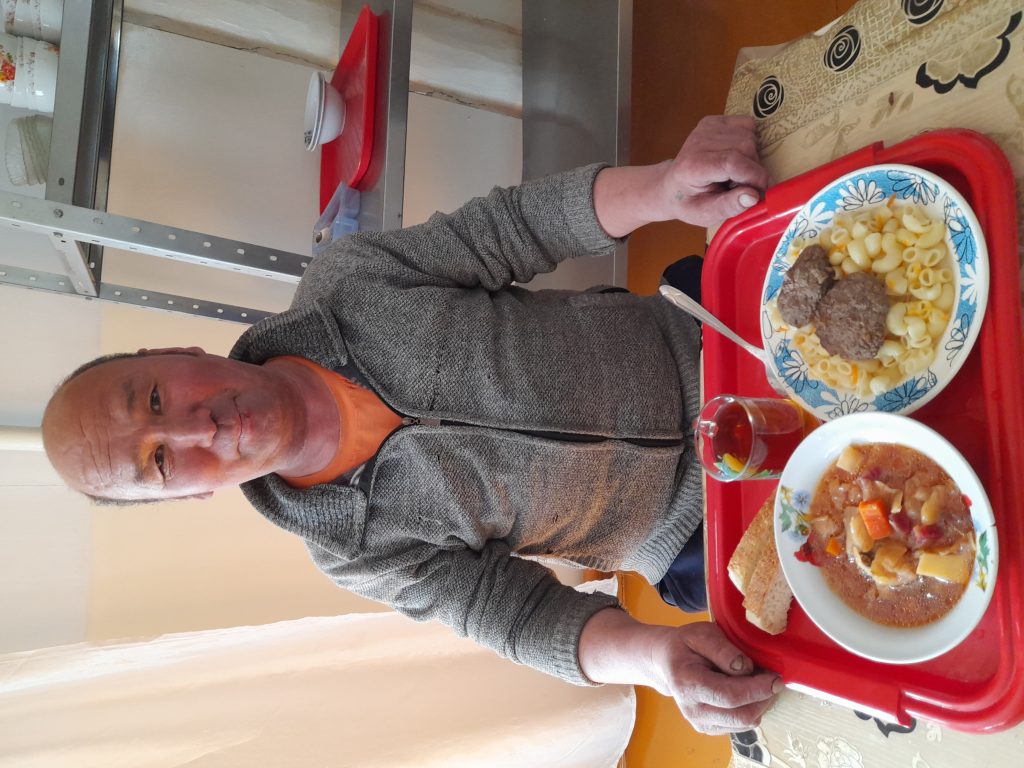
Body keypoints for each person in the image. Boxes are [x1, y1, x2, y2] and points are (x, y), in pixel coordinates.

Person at [42, 115, 779, 735]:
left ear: (177, 354)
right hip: (698, 533)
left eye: (155, 401)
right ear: (189, 494)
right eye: (161, 462)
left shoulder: (347, 283)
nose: (197, 431)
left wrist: (664, 185)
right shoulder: (352, 551)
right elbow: (512, 615)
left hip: (708, 335)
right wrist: (656, 661)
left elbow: (513, 228)